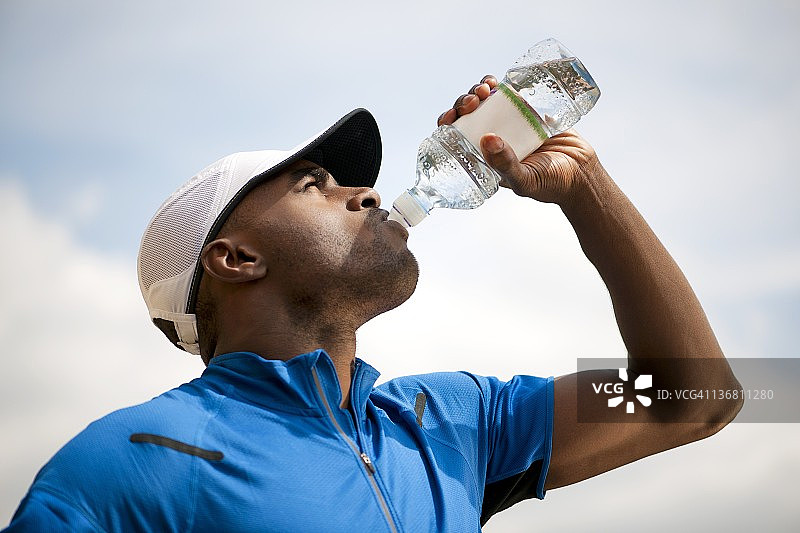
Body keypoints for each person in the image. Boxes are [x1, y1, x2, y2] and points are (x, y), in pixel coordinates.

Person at [5, 75, 742, 532]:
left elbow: (702, 396)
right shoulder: (132, 459)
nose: (365, 193)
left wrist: (586, 188)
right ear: (236, 259)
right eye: (312, 185)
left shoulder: (453, 419)